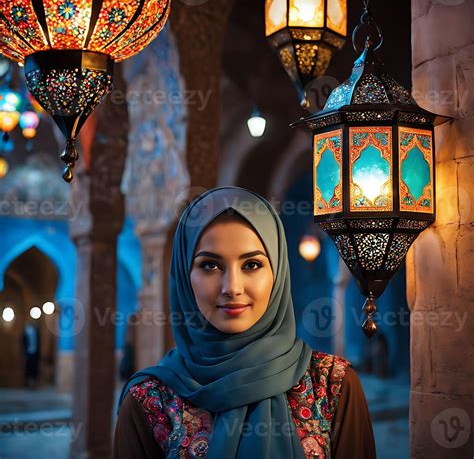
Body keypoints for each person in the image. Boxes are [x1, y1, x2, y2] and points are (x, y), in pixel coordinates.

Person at [113, 186, 376, 459]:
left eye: (251, 265)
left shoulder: (332, 386)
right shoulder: (150, 401)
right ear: (184, 274)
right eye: (210, 266)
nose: (232, 287)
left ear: (277, 272)